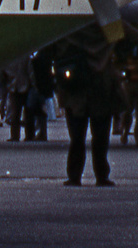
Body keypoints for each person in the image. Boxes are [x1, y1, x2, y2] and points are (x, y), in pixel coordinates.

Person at [51, 27, 124, 186]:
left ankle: (74, 175)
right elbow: (132, 34)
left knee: (77, 137)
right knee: (101, 137)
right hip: (101, 90)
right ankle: (101, 175)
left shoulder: (69, 33)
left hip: (76, 90)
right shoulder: (106, 30)